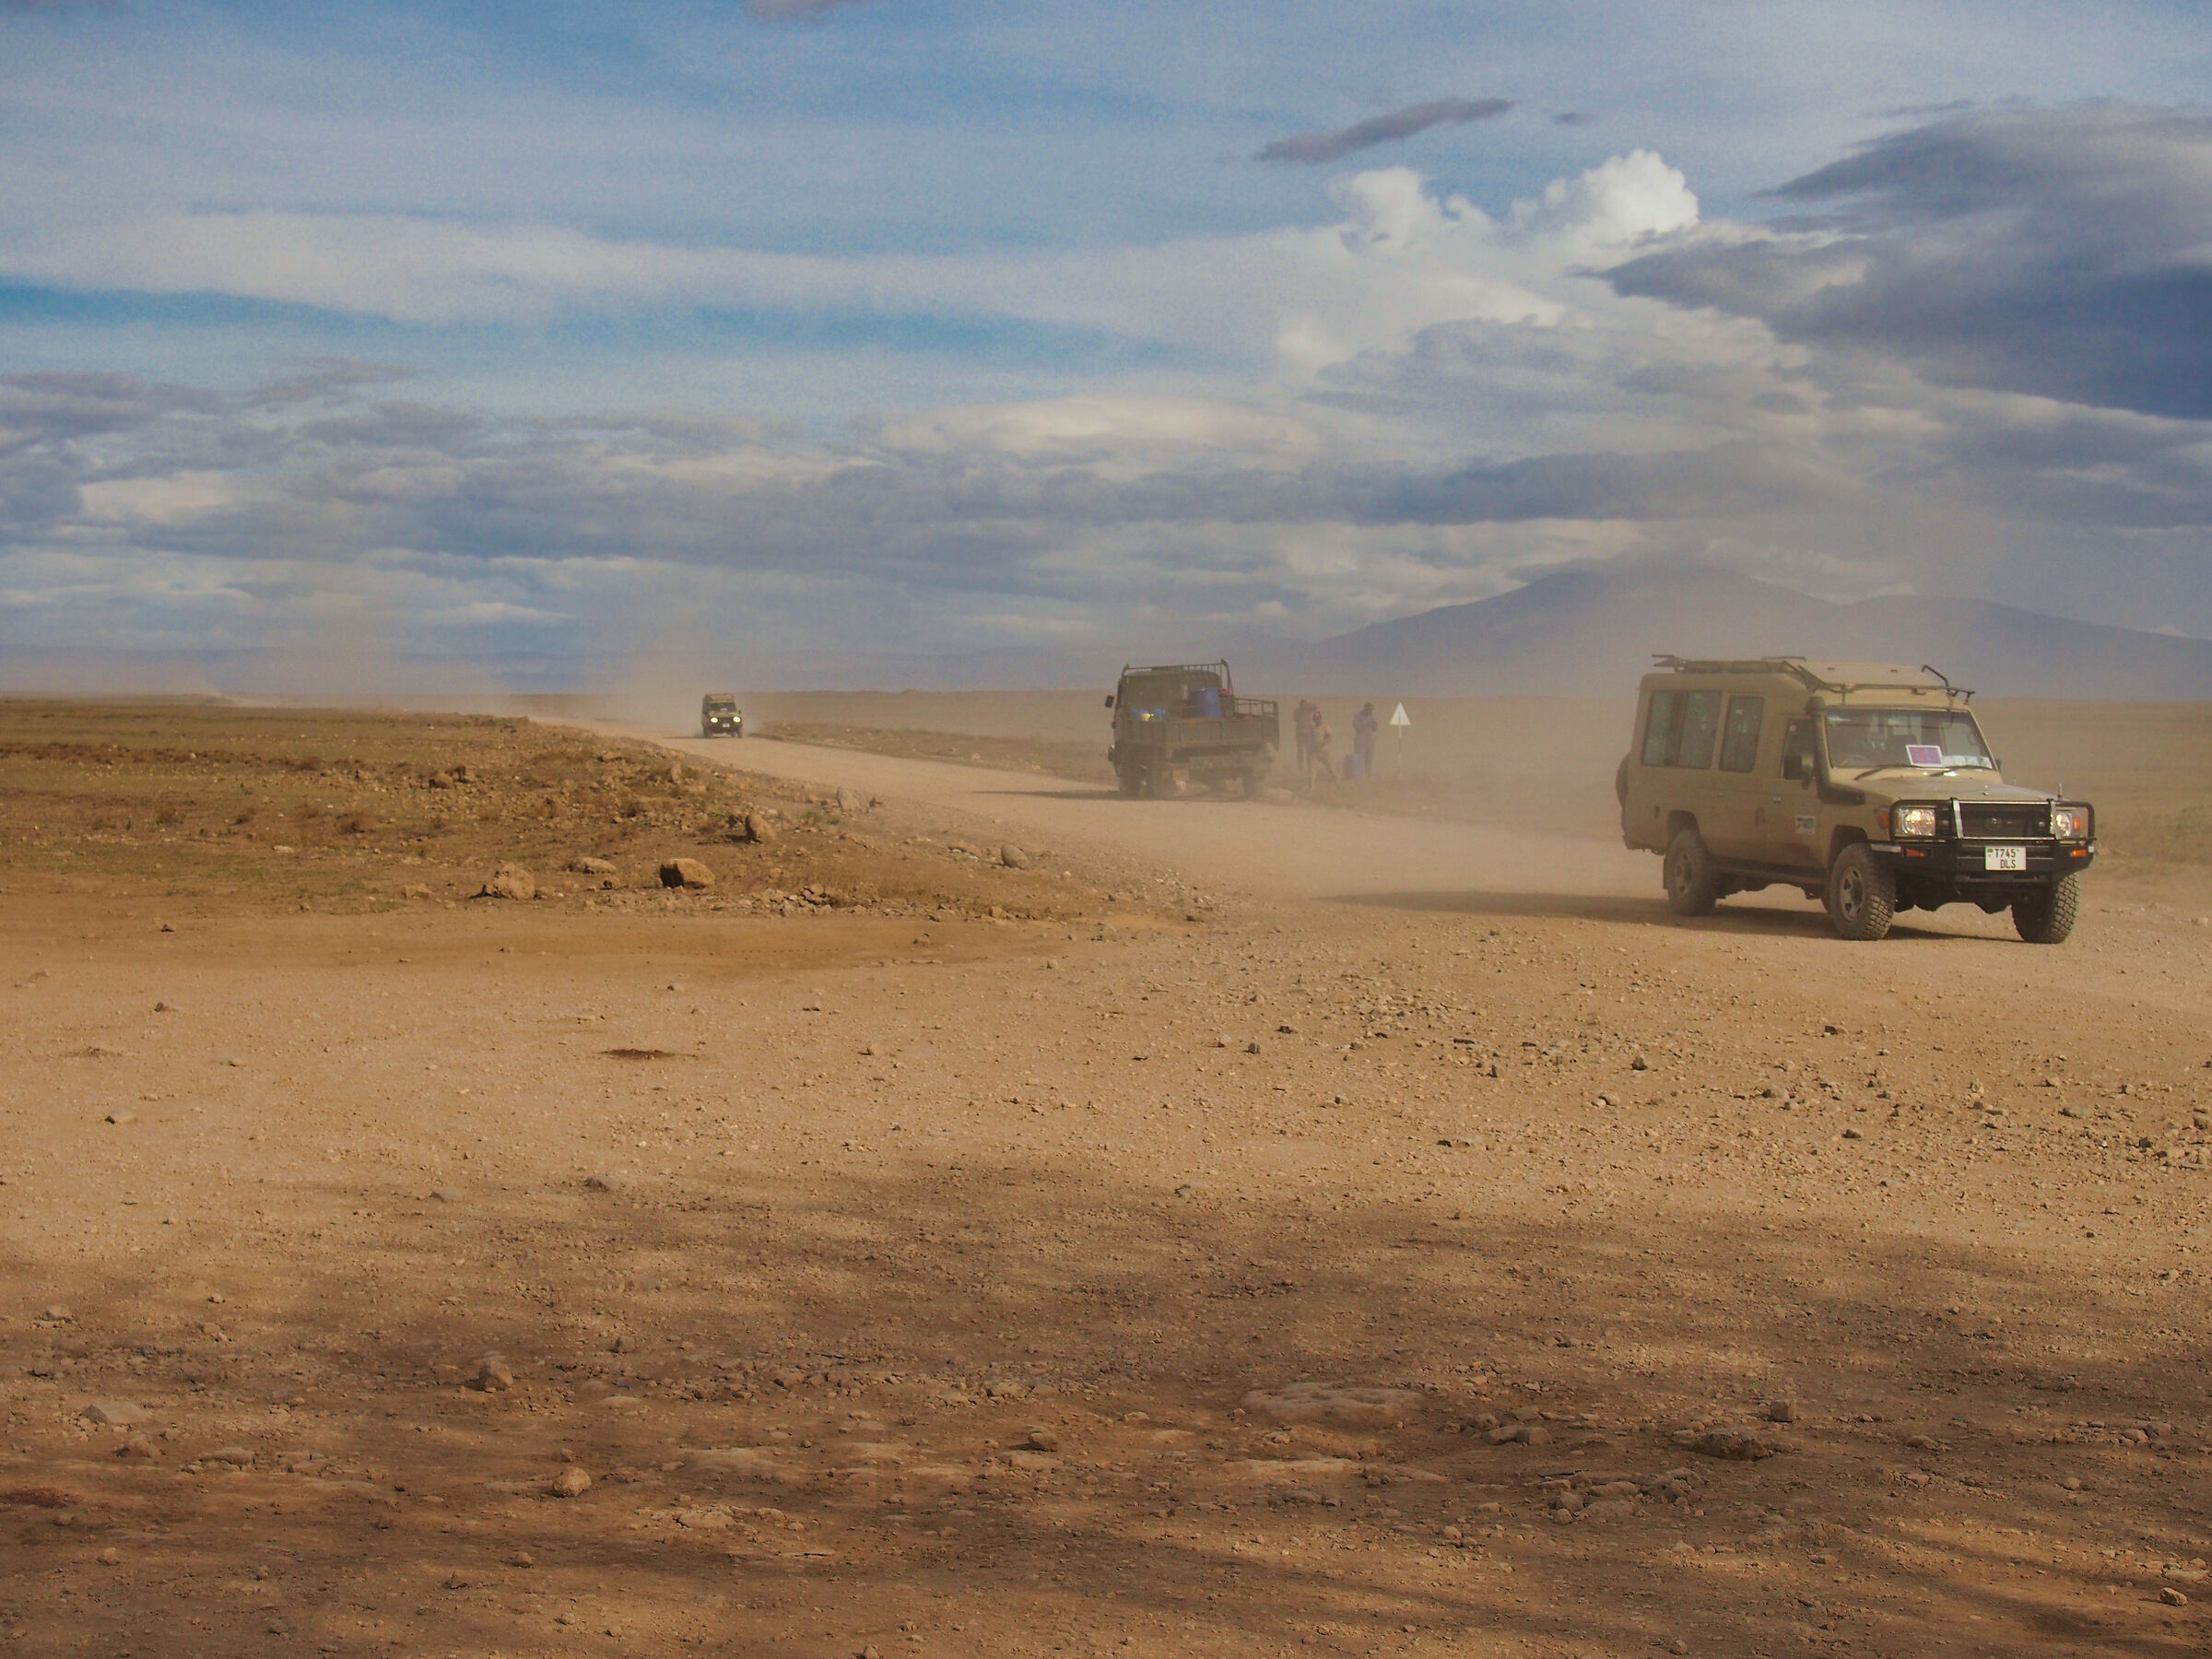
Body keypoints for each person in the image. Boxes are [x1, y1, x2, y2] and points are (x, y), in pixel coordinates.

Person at [1352, 701, 1379, 779]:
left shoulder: (1373, 717)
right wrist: (1366, 724)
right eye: (1369, 709)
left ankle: (1369, 775)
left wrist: (1374, 726)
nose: (1370, 711)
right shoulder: (1358, 716)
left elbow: (1375, 728)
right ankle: (1359, 775)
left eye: (1371, 710)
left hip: (1370, 740)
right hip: (1360, 740)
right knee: (1360, 757)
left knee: (1370, 758)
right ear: (1365, 708)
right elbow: (1356, 726)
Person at [1293, 698, 1318, 776]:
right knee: (1300, 751)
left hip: (1307, 733)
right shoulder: (1298, 711)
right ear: (1300, 705)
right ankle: (1301, 767)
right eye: (1303, 705)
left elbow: (1316, 707)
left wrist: (1308, 706)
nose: (1304, 706)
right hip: (1300, 733)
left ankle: (1309, 766)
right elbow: (1296, 719)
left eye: (1305, 705)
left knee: (1308, 751)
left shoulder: (1308, 710)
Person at [1309, 719, 1336, 784]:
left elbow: (1329, 738)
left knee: (1331, 768)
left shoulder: (1325, 727)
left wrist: (1323, 743)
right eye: (1316, 719)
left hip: (1324, 751)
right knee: (1312, 770)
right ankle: (1311, 785)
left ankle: (1337, 780)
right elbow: (1311, 739)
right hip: (1315, 752)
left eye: (1318, 719)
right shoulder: (1313, 728)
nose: (1317, 721)